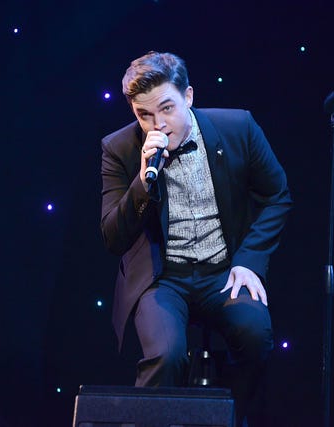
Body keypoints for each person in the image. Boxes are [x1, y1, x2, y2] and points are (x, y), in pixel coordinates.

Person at [100, 51, 292, 426]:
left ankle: (225, 418)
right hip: (163, 278)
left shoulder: (238, 128)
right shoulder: (119, 148)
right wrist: (142, 182)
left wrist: (249, 261)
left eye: (167, 108)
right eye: (144, 115)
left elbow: (277, 195)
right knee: (166, 356)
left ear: (188, 96)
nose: (158, 125)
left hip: (223, 271)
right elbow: (113, 238)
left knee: (256, 336)